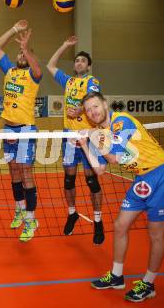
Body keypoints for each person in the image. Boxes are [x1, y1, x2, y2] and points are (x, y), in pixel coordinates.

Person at [78, 92, 164, 302]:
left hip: (162, 174)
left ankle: (149, 283)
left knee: (155, 233)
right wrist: (84, 143)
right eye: (88, 110)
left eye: (95, 106)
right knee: (120, 226)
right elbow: (100, 170)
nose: (92, 112)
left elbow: (115, 158)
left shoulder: (120, 121)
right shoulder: (102, 131)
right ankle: (117, 276)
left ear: (105, 104)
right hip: (141, 179)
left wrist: (91, 136)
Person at [47, 36, 105, 245]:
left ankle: (98, 221)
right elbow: (50, 65)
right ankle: (72, 213)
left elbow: (95, 99)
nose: (79, 63)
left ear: (88, 66)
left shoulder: (91, 81)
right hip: (69, 137)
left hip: (88, 137)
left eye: (83, 61)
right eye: (77, 60)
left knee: (91, 180)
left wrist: (81, 109)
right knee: (69, 179)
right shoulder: (69, 81)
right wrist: (64, 45)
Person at [0, 20, 42, 242]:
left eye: (25, 55)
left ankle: (31, 220)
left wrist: (26, 47)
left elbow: (37, 68)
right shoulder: (9, 71)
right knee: (13, 172)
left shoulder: (32, 76)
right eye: (20, 55)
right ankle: (20, 210)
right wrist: (13, 29)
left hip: (25, 130)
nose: (22, 57)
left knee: (26, 172)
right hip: (8, 130)